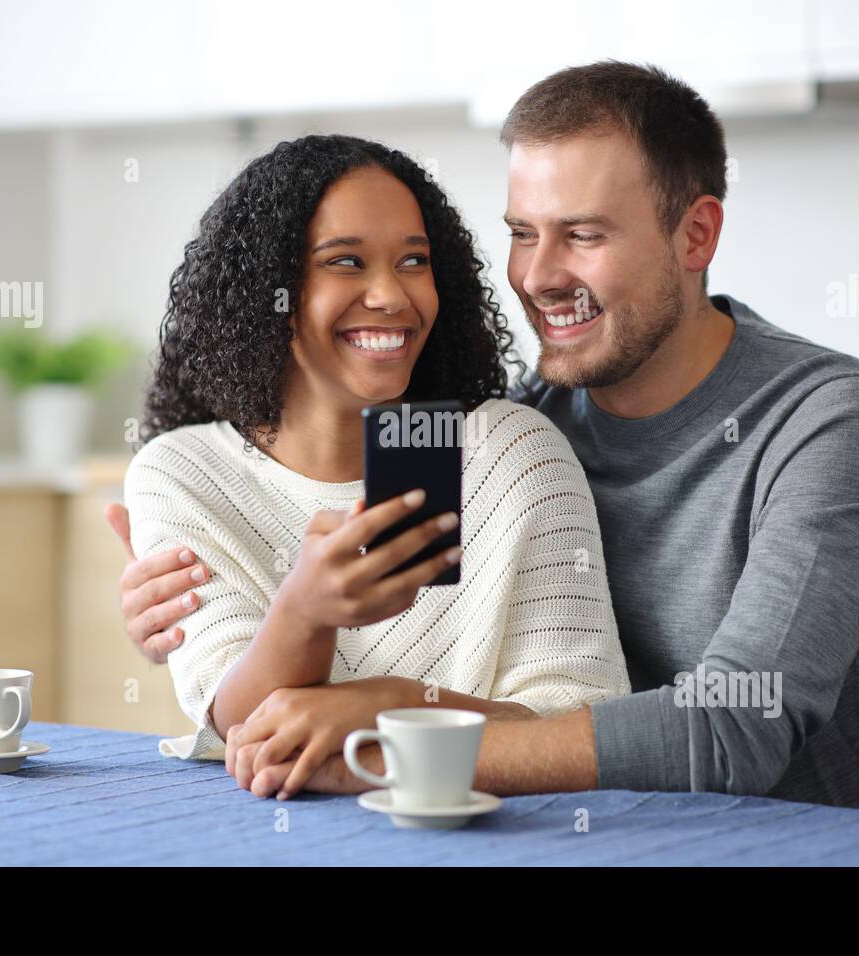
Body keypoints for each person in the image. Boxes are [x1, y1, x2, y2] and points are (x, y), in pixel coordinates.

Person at [109, 62, 859, 817]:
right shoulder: (522, 423)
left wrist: (388, 725)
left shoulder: (828, 421)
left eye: (583, 235)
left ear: (695, 235)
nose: (539, 277)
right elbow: (322, 640)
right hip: (615, 834)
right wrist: (203, 619)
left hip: (840, 843)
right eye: (522, 233)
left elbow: (735, 729)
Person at [118, 133, 630, 797]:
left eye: (413, 261)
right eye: (347, 262)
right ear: (270, 290)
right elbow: (244, 726)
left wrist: (391, 702)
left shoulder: (509, 454)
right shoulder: (181, 473)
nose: (392, 295)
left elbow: (578, 728)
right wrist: (304, 612)